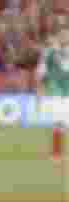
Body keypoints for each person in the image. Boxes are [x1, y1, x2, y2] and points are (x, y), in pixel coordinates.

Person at [36, 29, 69, 161]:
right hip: (55, 92)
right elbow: (40, 73)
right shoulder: (49, 53)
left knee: (62, 124)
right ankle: (56, 154)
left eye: (67, 36)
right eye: (63, 36)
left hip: (67, 92)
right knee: (58, 123)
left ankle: (57, 153)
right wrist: (39, 92)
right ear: (58, 37)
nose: (65, 38)